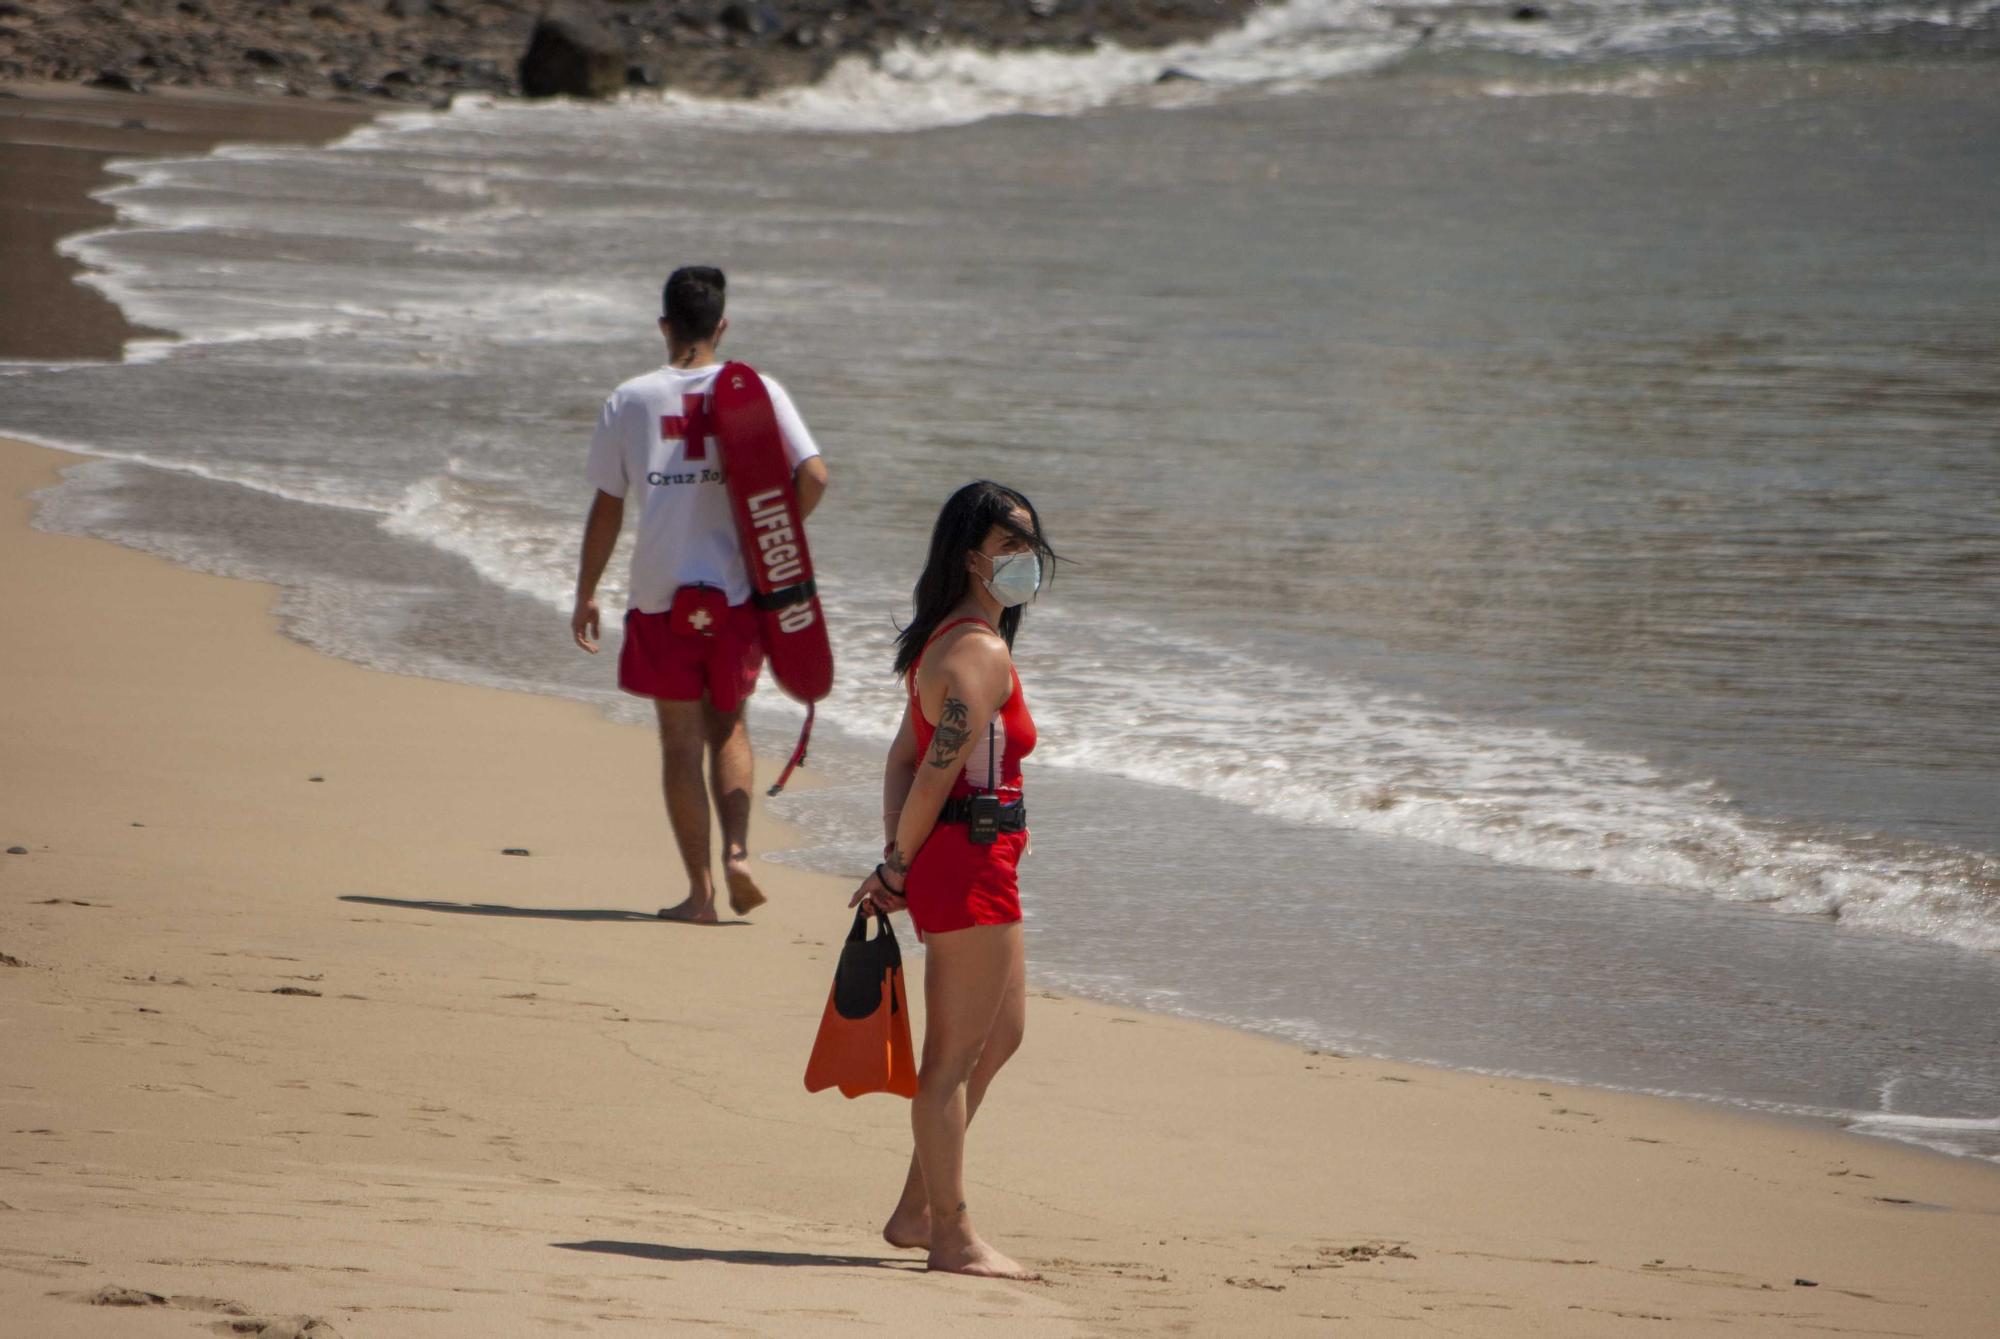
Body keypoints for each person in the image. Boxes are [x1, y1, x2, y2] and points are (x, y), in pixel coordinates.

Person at [572, 266, 829, 923]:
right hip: (737, 593)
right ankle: (739, 850)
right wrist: (773, 542)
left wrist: (587, 591)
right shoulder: (757, 390)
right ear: (722, 326)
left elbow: (608, 506)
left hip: (660, 596)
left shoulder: (628, 400)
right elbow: (815, 476)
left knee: (680, 744)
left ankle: (701, 895)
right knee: (732, 726)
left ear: (664, 326)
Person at [851, 480, 1056, 1280]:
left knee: (1000, 1036)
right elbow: (932, 774)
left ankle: (917, 1208)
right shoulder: (978, 650)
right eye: (1011, 549)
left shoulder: (952, 639)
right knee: (950, 1060)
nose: (1026, 563)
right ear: (973, 558)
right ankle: (952, 1236)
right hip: (966, 863)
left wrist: (901, 854)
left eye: (1031, 548)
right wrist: (896, 866)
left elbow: (906, 754)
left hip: (979, 858)